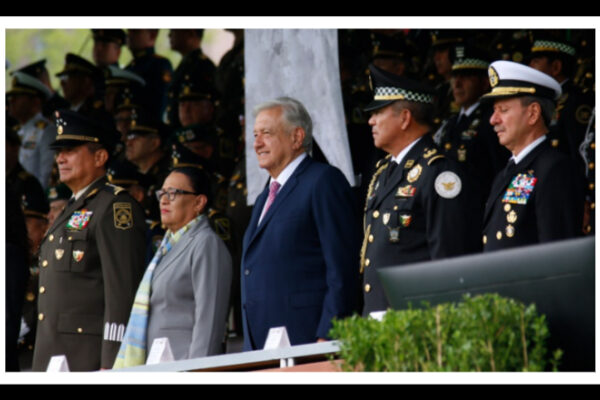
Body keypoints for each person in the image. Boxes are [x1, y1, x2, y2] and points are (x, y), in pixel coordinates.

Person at [361, 64, 481, 315]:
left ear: (405, 118)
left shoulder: (439, 173)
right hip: (381, 320)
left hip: (418, 323)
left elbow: (448, 262)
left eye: (379, 112)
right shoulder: (385, 170)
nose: (371, 120)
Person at [241, 97, 360, 351]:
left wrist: (329, 334)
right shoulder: (265, 195)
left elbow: (342, 267)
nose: (257, 143)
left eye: (267, 134)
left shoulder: (323, 181)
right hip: (264, 346)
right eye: (254, 135)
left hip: (307, 340)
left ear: (297, 137)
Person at [32, 110, 147, 371]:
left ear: (100, 156)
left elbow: (122, 290)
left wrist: (113, 360)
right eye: (59, 150)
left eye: (70, 149)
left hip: (89, 358)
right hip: (54, 353)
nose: (60, 158)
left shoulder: (115, 207)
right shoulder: (72, 207)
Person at [113, 167, 232, 368]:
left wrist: (198, 371)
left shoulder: (205, 242)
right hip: (158, 365)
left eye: (173, 193)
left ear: (199, 202)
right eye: (162, 193)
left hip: (183, 364)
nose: (164, 200)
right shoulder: (167, 246)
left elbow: (209, 320)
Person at [481, 60, 585, 252]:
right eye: (494, 111)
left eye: (503, 110)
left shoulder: (554, 170)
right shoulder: (506, 173)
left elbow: (557, 256)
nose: (493, 120)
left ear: (533, 113)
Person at [433, 44, 510, 200]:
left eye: (466, 76)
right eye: (455, 76)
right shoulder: (451, 122)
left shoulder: (491, 121)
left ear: (484, 83)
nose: (457, 83)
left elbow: (500, 172)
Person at [7, 71, 56, 188]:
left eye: (17, 97)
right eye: (11, 97)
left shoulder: (46, 131)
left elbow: (47, 175)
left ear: (35, 101)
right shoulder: (15, 131)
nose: (11, 101)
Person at [125, 29, 173, 118]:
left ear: (152, 35)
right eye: (129, 31)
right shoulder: (128, 68)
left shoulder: (159, 64)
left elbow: (160, 103)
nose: (129, 35)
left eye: (135, 31)